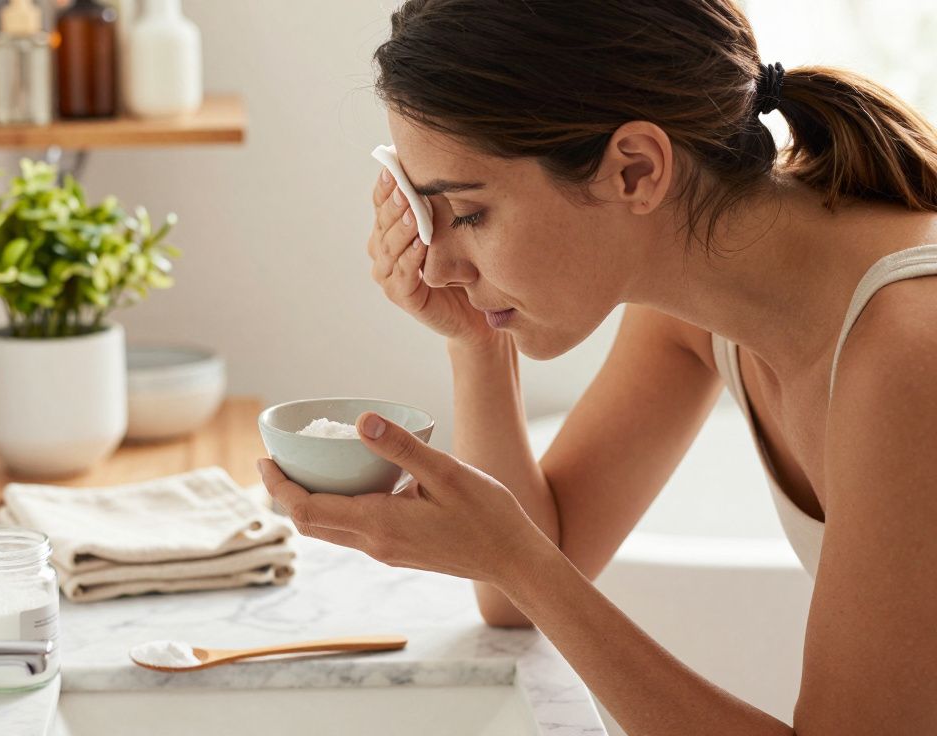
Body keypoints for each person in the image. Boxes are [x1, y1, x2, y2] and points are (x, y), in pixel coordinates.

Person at [256, 1, 937, 734]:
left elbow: (531, 572)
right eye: (427, 217)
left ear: (635, 170)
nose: (436, 262)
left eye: (469, 213)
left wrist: (522, 563)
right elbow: (515, 598)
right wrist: (478, 340)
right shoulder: (694, 303)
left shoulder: (908, 350)